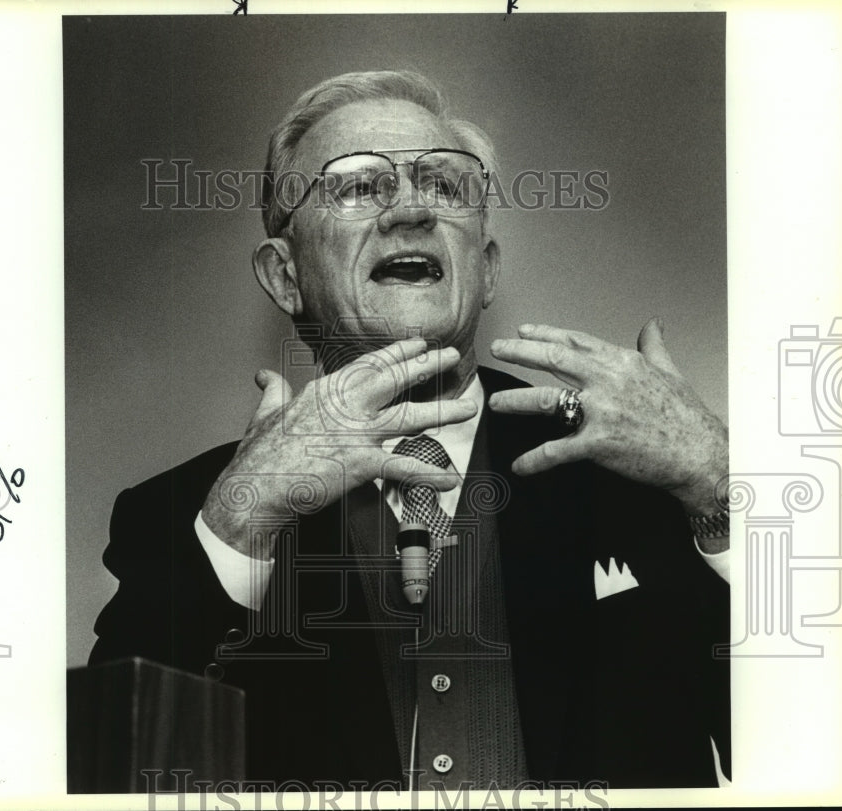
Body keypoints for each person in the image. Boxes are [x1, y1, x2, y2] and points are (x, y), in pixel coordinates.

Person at [90, 70, 730, 791]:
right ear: (285, 275)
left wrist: (720, 483)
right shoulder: (185, 513)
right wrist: (242, 518)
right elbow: (115, 781)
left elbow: (825, 747)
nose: (410, 212)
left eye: (445, 186)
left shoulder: (639, 478)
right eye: (359, 186)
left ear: (485, 270)